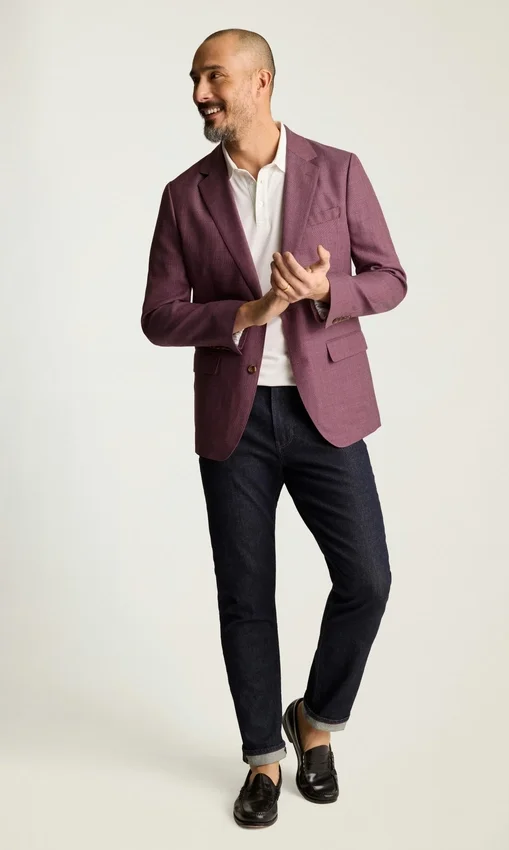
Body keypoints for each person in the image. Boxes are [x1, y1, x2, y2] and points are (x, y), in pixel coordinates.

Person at [141, 27, 407, 829]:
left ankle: (314, 721)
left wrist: (328, 293)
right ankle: (262, 756)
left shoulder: (337, 170)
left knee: (366, 579)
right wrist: (246, 313)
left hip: (327, 413)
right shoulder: (184, 195)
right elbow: (159, 315)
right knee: (246, 595)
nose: (200, 94)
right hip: (236, 419)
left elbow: (390, 278)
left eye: (213, 78)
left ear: (260, 82)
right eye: (195, 80)